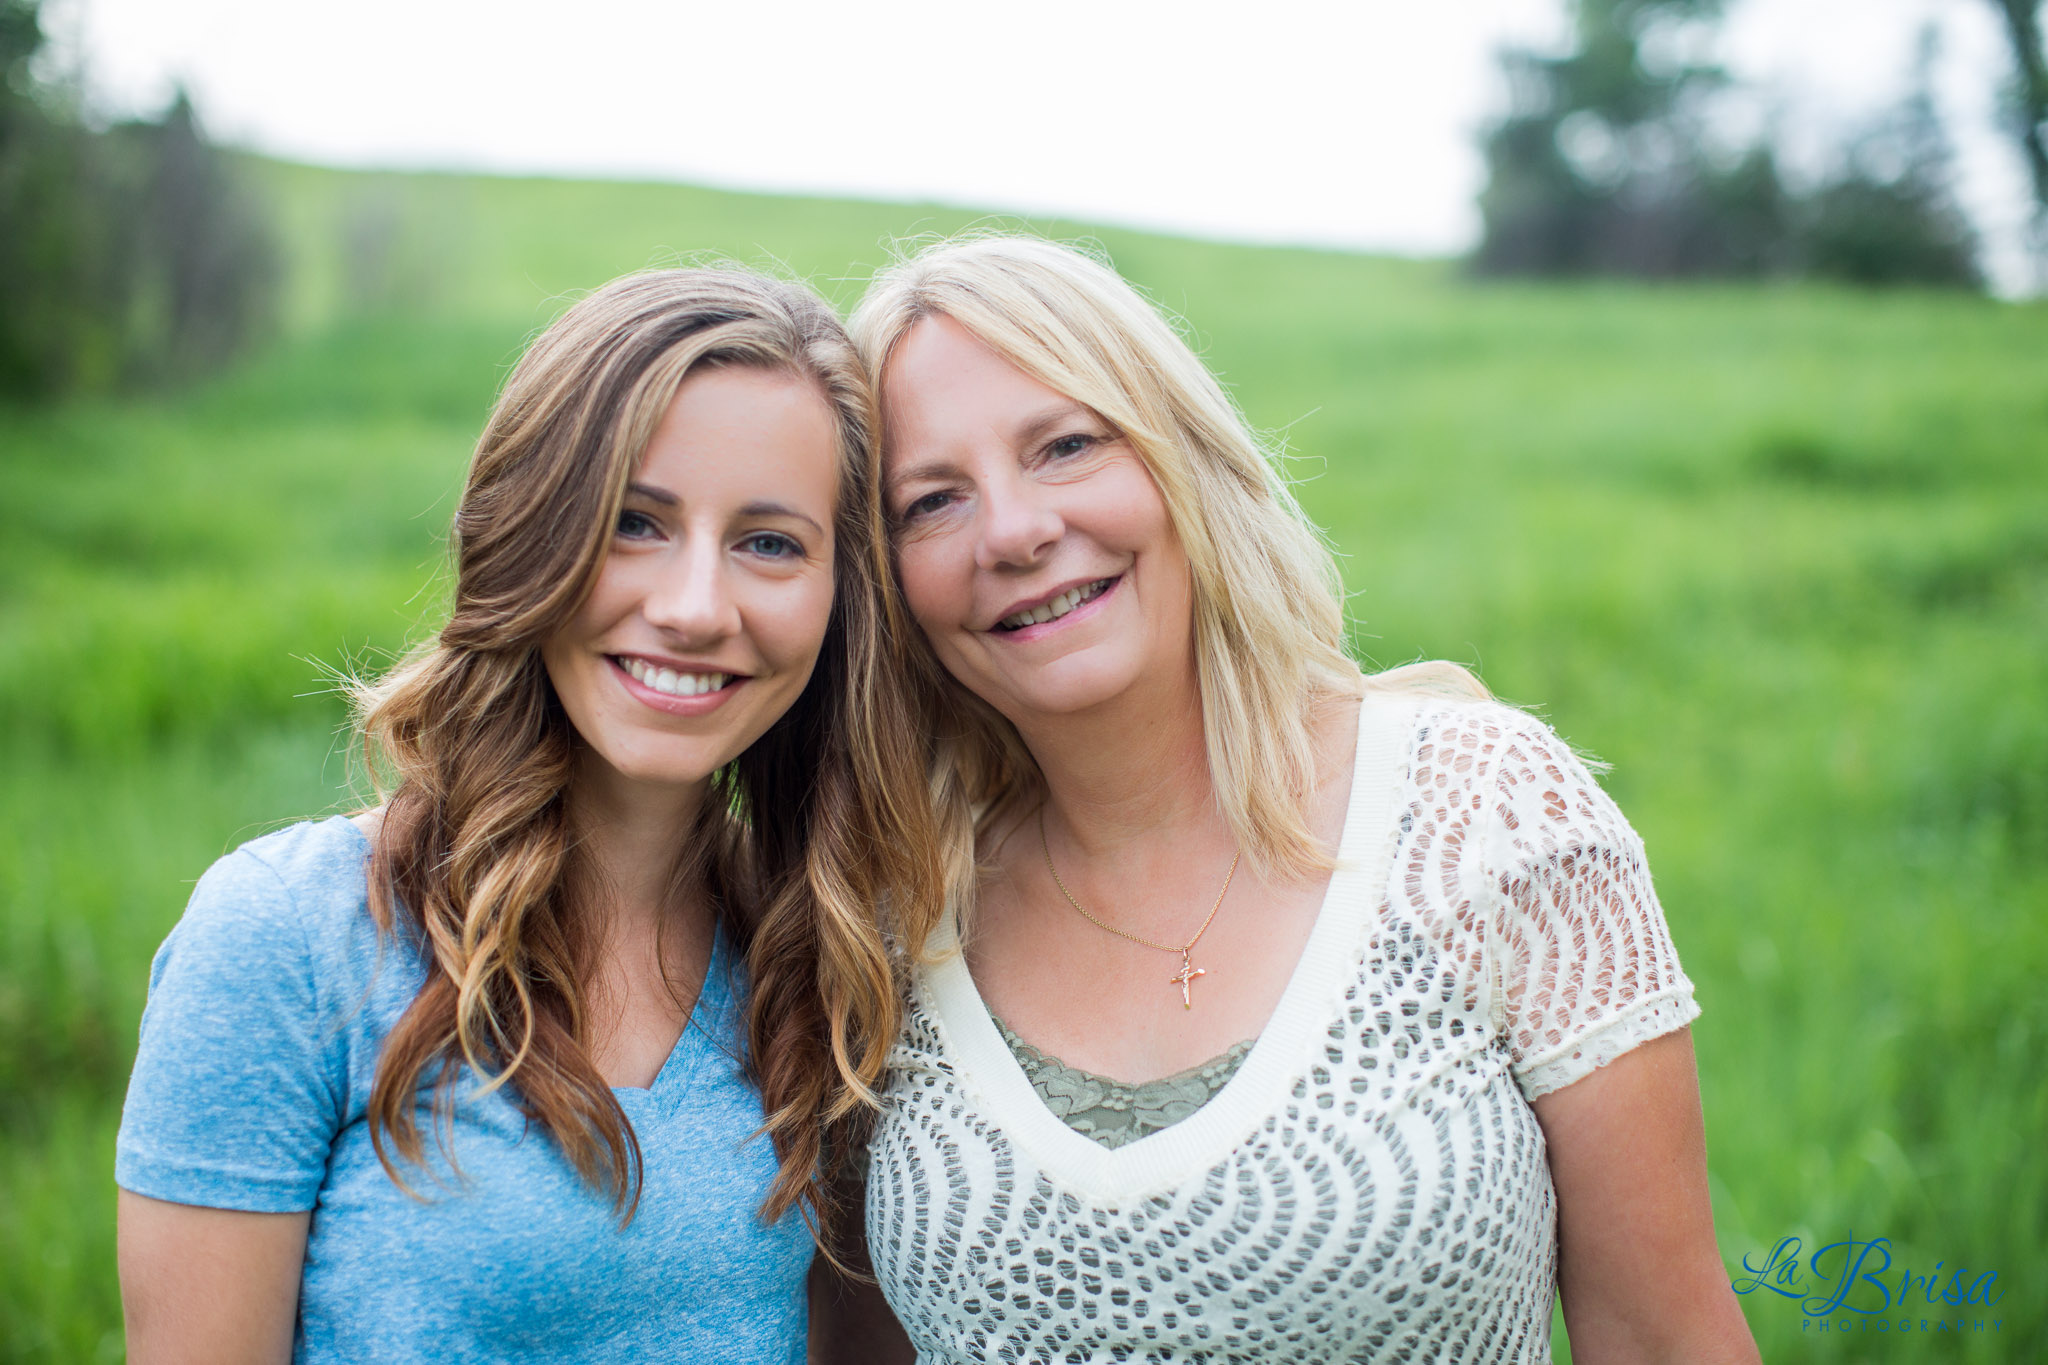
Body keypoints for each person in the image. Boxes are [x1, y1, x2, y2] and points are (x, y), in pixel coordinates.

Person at [831, 235, 1761, 1363]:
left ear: (1180, 456)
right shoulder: (878, 915)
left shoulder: (1486, 813)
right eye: (931, 502)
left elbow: (1665, 1339)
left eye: (1066, 446)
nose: (1015, 531)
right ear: (882, 578)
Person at [114, 267, 938, 1363]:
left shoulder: (830, 963)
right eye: (634, 522)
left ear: (842, 598)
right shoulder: (287, 942)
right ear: (530, 533)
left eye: (769, 542)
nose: (695, 608)